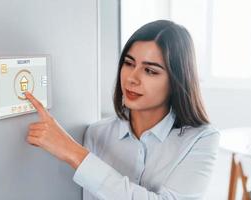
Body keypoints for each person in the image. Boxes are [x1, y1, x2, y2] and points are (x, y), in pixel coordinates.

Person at [25, 20, 220, 200]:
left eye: (150, 71)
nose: (132, 78)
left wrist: (73, 153)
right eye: (129, 63)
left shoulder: (201, 139)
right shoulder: (96, 133)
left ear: (176, 81)